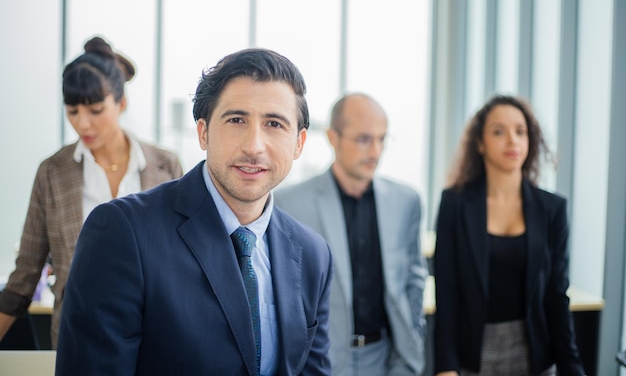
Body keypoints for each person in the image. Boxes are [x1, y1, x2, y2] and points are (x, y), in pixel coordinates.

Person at [55, 48, 333, 376]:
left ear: (299, 143)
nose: (254, 145)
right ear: (203, 132)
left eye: (274, 123)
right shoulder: (123, 232)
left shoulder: (313, 255)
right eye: (236, 120)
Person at [0, 36, 183, 349]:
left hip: (157, 339)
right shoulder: (53, 173)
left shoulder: (165, 166)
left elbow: (185, 262)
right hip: (77, 341)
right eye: (73, 111)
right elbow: (26, 273)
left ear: (121, 104)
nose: (83, 124)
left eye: (96, 110)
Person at [274, 93, 427, 376]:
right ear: (333, 137)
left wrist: (410, 349)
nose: (375, 151)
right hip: (319, 361)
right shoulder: (289, 203)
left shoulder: (406, 201)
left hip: (388, 359)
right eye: (364, 139)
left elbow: (413, 281)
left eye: (382, 139)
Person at [433, 95, 586, 376]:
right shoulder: (455, 204)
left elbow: (556, 296)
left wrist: (572, 368)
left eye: (520, 131)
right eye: (498, 131)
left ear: (531, 141)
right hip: (473, 353)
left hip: (536, 351)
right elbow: (447, 291)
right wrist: (445, 366)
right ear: (480, 143)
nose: (512, 140)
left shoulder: (552, 209)